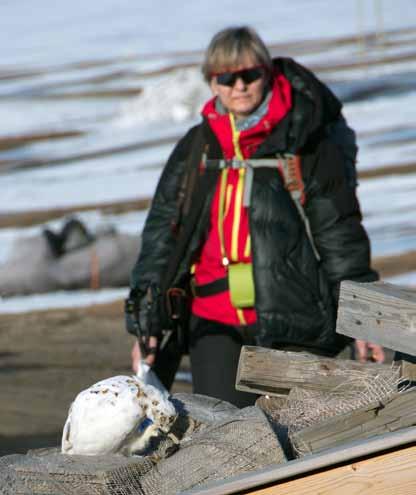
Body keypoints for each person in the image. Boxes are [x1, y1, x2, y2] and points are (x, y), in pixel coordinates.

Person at [125, 26, 384, 407]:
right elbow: (163, 233)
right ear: (212, 83)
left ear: (267, 73)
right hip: (213, 320)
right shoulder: (197, 147)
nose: (239, 86)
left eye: (250, 75)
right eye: (227, 77)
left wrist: (365, 321)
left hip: (297, 317)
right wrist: (147, 322)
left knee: (301, 436)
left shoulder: (306, 141)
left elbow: (339, 234)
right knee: (224, 438)